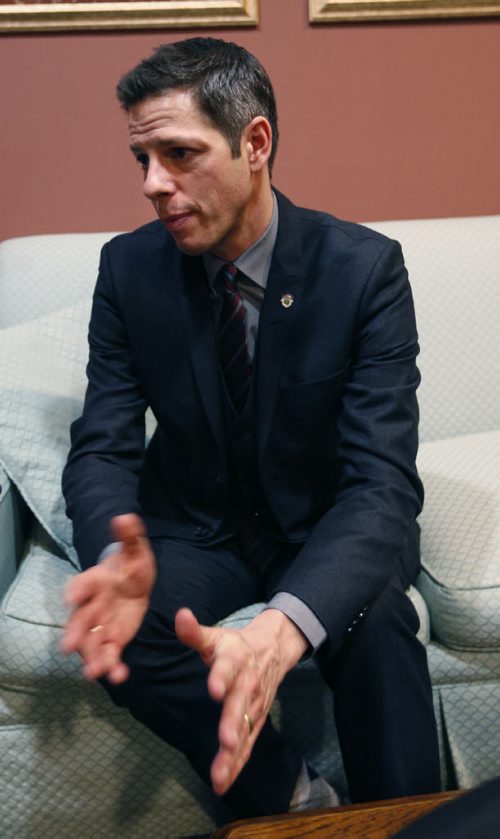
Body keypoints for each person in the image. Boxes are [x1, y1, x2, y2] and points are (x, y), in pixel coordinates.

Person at [61, 37, 440, 821]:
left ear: (255, 143)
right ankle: (295, 802)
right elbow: (103, 441)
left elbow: (381, 483)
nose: (154, 184)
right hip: (202, 528)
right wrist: (110, 551)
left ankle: (413, 824)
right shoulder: (128, 270)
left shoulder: (364, 270)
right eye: (142, 159)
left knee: (379, 630)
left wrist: (282, 629)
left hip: (326, 521)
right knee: (118, 625)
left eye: (179, 153)